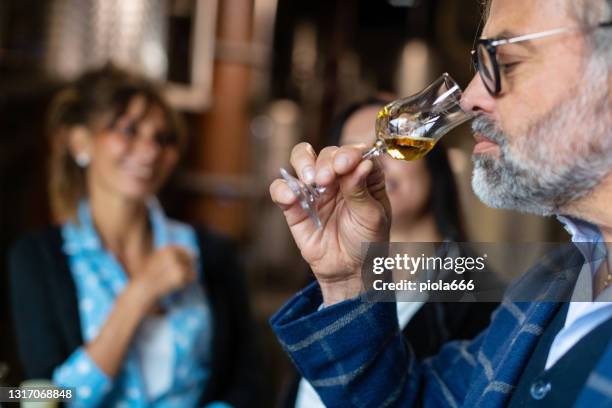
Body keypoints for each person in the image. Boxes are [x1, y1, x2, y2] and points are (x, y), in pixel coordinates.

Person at [269, 0, 612, 406]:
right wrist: (346, 281)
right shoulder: (546, 288)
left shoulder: (480, 285)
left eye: (507, 61)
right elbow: (411, 401)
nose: (469, 98)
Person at [8, 66, 265, 407]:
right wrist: (138, 296)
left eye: (163, 138)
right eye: (129, 130)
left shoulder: (212, 252)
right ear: (80, 141)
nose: (150, 151)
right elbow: (45, 396)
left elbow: (252, 379)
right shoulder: (35, 259)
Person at [284, 99, 499, 407]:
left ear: (430, 156)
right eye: (350, 151)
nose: (369, 163)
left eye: (390, 139)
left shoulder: (485, 305)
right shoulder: (325, 288)